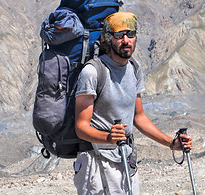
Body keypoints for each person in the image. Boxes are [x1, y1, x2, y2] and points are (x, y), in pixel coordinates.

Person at [74, 12, 193, 195]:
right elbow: (81, 127)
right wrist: (108, 138)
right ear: (108, 38)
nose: (126, 40)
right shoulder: (92, 72)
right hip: (95, 161)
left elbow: (139, 117)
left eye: (130, 34)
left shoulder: (134, 69)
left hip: (125, 157)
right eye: (119, 35)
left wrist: (171, 143)